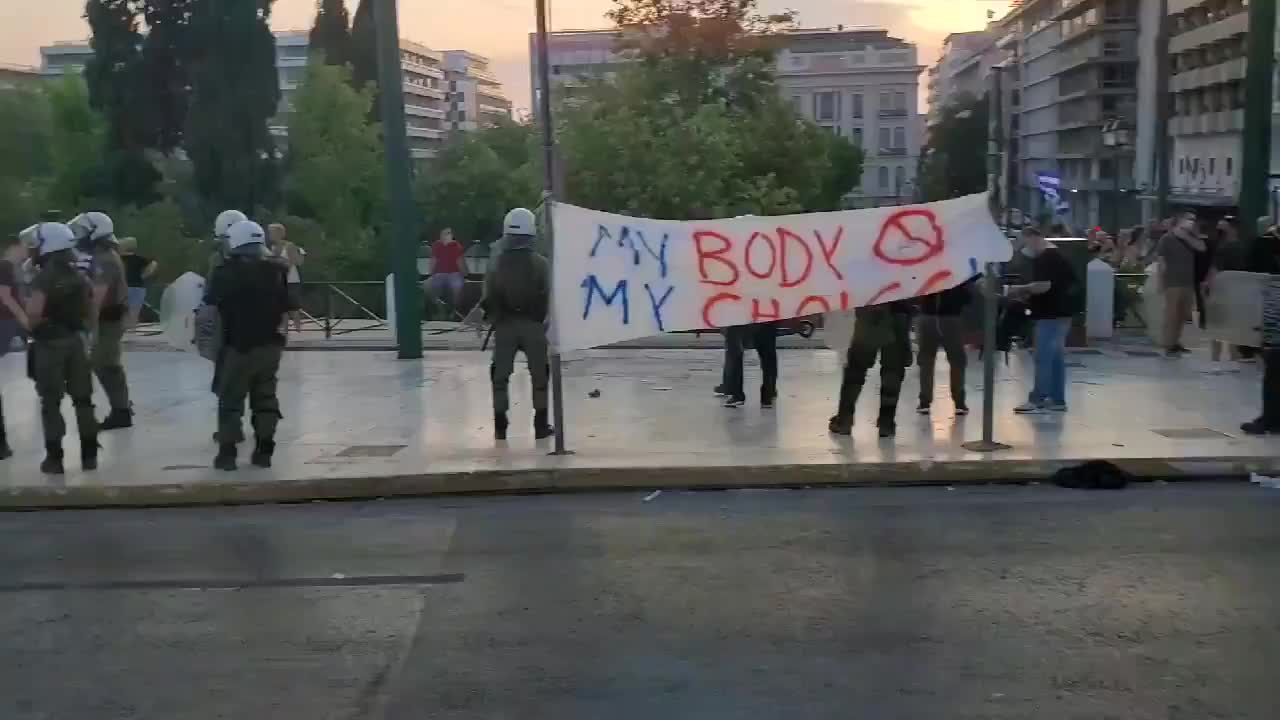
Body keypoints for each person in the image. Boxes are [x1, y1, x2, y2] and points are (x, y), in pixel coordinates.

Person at [207, 220, 295, 470]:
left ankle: (227, 454)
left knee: (231, 400)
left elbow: (210, 306)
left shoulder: (224, 272)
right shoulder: (278, 271)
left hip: (238, 346)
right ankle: (264, 450)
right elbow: (289, 305)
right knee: (265, 398)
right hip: (270, 347)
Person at [23, 222, 98, 474]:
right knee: (83, 399)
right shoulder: (79, 274)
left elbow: (33, 314)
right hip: (76, 341)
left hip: (50, 343)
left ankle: (55, 458)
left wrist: (30, 325)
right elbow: (89, 308)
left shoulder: (43, 278)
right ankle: (90, 455)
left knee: (51, 402)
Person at [480, 207, 553, 441]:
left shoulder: (496, 263)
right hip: (533, 325)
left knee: (499, 376)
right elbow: (549, 294)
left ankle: (500, 425)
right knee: (540, 374)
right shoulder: (541, 263)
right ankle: (541, 424)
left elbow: (488, 296)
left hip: (504, 325)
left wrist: (492, 318)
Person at [68, 211, 133, 430]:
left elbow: (98, 297)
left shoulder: (105, 258)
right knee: (108, 364)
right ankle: (122, 408)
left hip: (108, 319)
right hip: (110, 318)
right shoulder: (104, 255)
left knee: (104, 364)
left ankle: (121, 411)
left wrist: (89, 327)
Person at [1008, 226, 1081, 414]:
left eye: (1023, 242)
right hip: (1062, 313)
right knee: (1055, 358)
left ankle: (1038, 399)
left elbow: (1044, 286)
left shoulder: (1046, 258)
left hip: (1051, 314)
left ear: (1032, 238)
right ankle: (1057, 400)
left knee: (1043, 357)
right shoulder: (1056, 255)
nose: (1023, 248)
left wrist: (1020, 289)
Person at [828, 300, 914, 438]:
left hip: (871, 313)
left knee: (856, 370)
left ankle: (844, 421)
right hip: (899, 315)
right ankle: (887, 422)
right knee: (892, 373)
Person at [915, 279, 974, 416]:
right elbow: (968, 296)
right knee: (957, 360)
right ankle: (959, 402)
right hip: (951, 316)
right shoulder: (957, 269)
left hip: (928, 314)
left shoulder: (927, 266)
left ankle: (925, 402)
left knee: (927, 360)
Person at [1155, 211, 1205, 357]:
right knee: (1171, 314)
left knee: (1183, 314)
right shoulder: (1167, 238)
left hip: (1188, 282)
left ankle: (1176, 341)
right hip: (1173, 282)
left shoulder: (1191, 238)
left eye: (1193, 220)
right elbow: (1161, 261)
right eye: (1189, 219)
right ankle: (1168, 343)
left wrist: (1187, 237)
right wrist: (1161, 281)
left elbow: (1201, 248)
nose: (1192, 222)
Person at [0, 235, 31, 460]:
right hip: (5, 321)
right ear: (14, 246)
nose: (27, 252)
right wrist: (24, 319)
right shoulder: (4, 266)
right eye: (24, 247)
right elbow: (5, 296)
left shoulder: (14, 268)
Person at [720, 322, 778, 408]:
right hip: (763, 319)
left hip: (738, 321)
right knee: (768, 356)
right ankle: (768, 395)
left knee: (734, 355)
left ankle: (736, 395)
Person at [266, 223, 304, 332]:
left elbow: (295, 261)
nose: (269, 235)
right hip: (278, 281)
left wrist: (280, 265)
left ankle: (299, 330)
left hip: (291, 280)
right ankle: (284, 330)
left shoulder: (289, 246)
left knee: (293, 307)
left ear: (279, 233)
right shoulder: (271, 247)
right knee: (281, 307)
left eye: (271, 232)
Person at [426, 228, 467, 317]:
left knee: (458, 287)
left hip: (454, 273)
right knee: (428, 286)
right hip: (439, 274)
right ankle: (440, 307)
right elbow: (433, 260)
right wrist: (431, 274)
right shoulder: (437, 245)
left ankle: (454, 311)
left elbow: (460, 262)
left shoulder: (457, 246)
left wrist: (464, 274)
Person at [118, 236, 157, 328]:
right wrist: (144, 275)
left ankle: (123, 332)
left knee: (121, 312)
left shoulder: (118, 259)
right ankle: (131, 330)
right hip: (137, 287)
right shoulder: (139, 259)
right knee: (134, 312)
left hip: (122, 287)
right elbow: (154, 263)